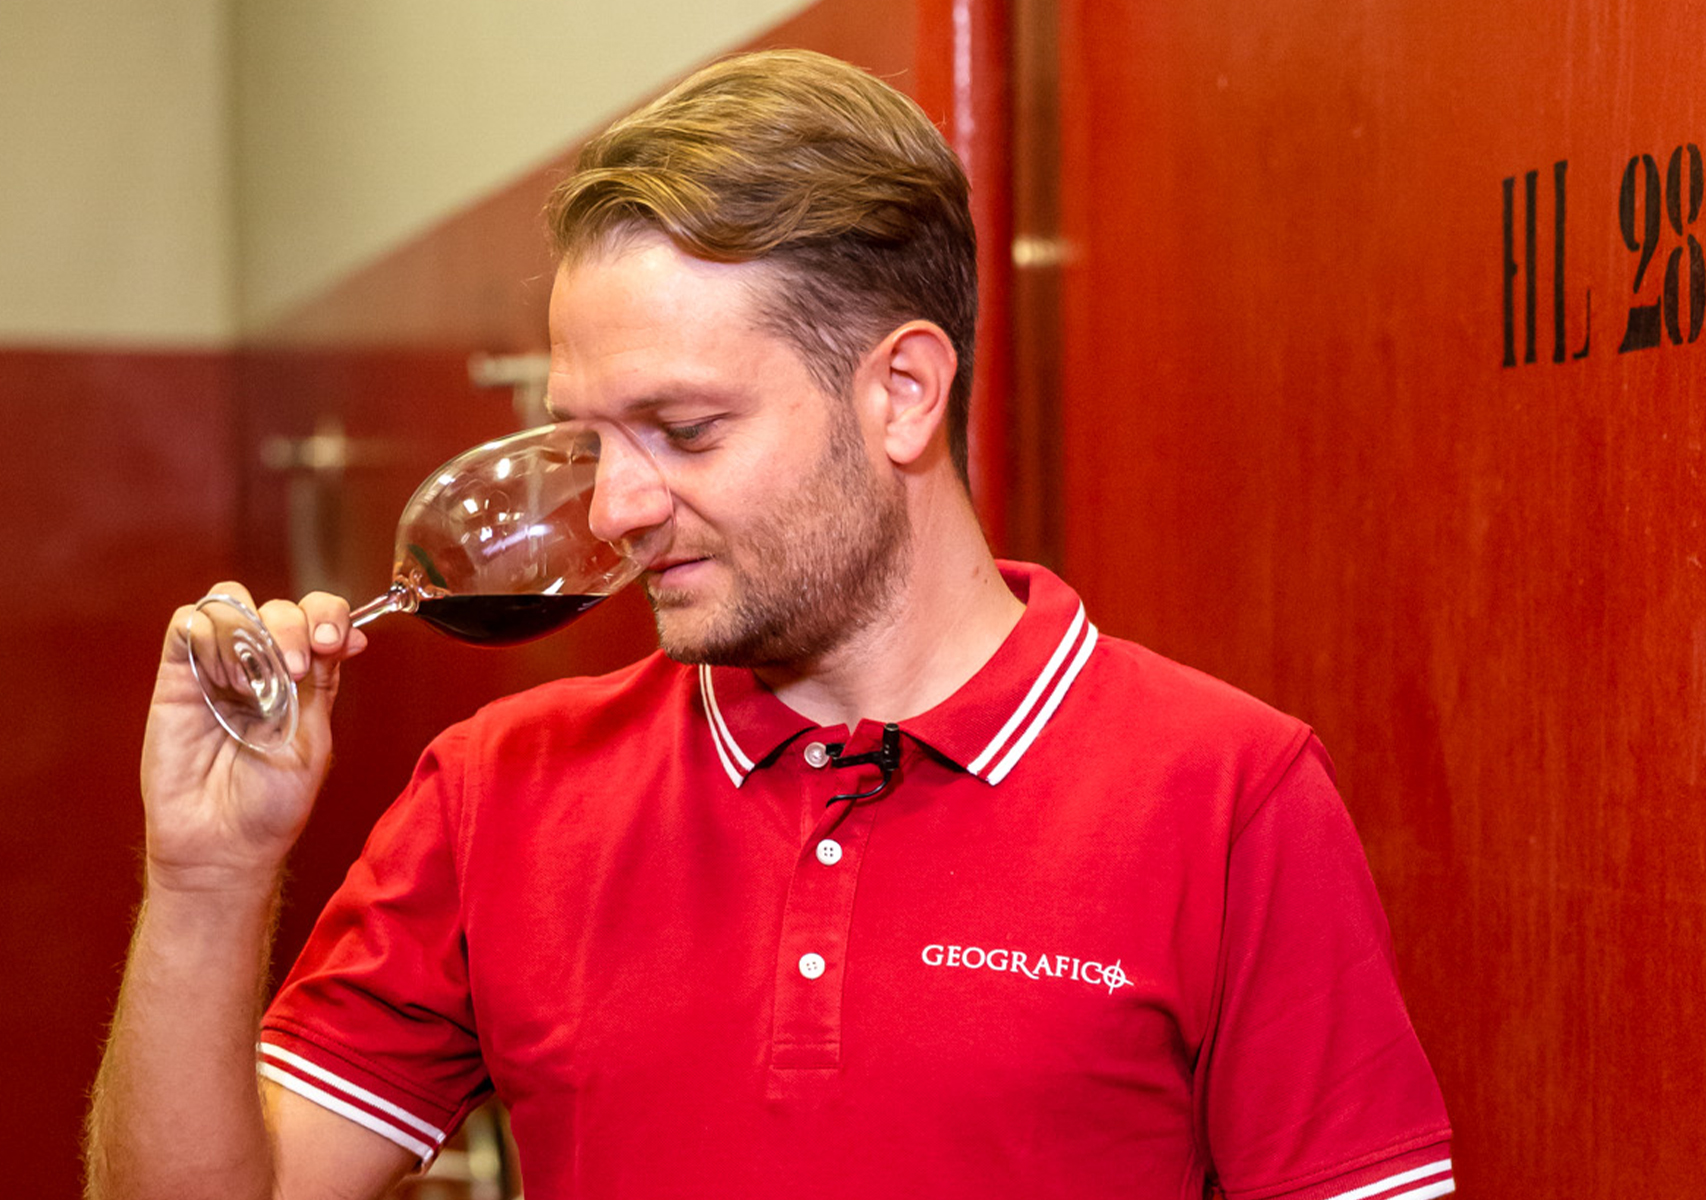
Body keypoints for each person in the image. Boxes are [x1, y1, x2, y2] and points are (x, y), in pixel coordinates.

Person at [86, 49, 1452, 1200]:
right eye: (589, 438)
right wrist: (207, 882)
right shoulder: (496, 790)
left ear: (902, 393)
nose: (616, 507)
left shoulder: (1228, 795)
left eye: (684, 430)